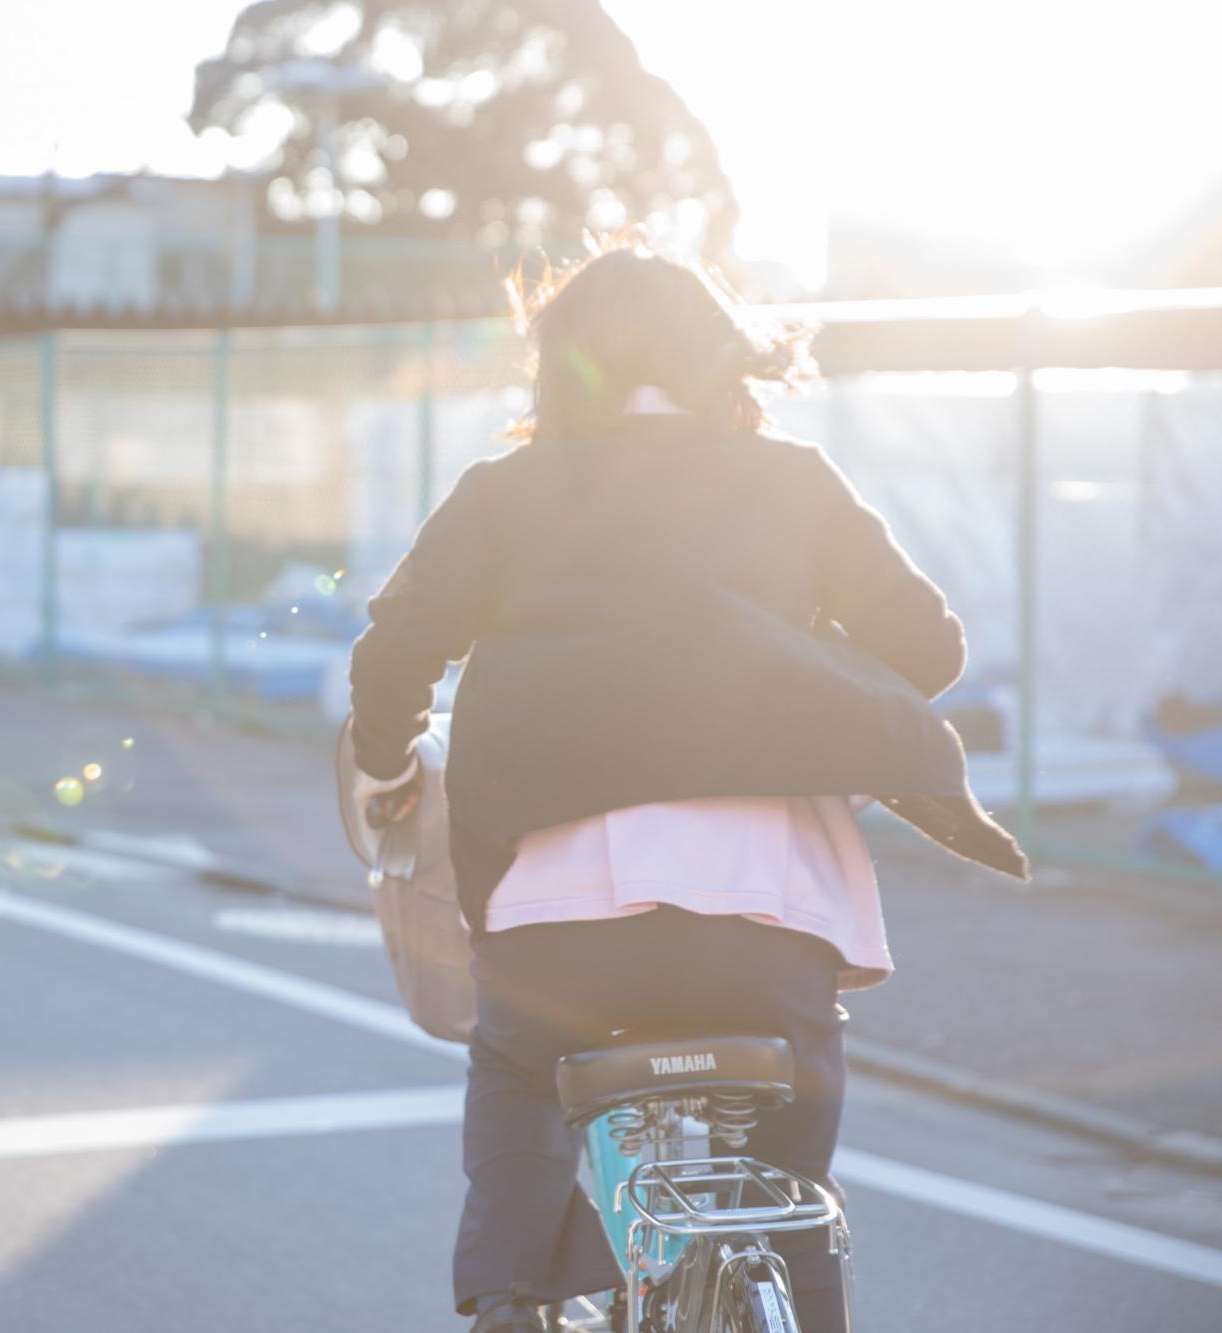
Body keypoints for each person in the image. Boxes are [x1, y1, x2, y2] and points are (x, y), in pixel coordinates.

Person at [346, 240, 1025, 1333]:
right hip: (768, 921)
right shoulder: (793, 481)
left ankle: (514, 1295)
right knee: (787, 1161)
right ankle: (789, 1291)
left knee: (519, 1075)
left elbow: (389, 661)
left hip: (557, 925)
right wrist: (802, 681)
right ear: (720, 360)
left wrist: (385, 770)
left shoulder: (504, 494)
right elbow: (928, 648)